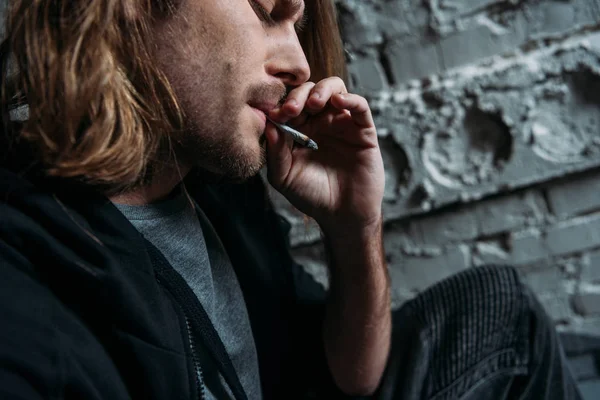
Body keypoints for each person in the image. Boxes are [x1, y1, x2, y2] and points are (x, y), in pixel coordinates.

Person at [0, 0, 582, 399]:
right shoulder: (28, 275)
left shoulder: (216, 187)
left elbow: (354, 377)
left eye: (297, 23)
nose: (300, 63)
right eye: (265, 10)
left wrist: (354, 226)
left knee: (502, 311)